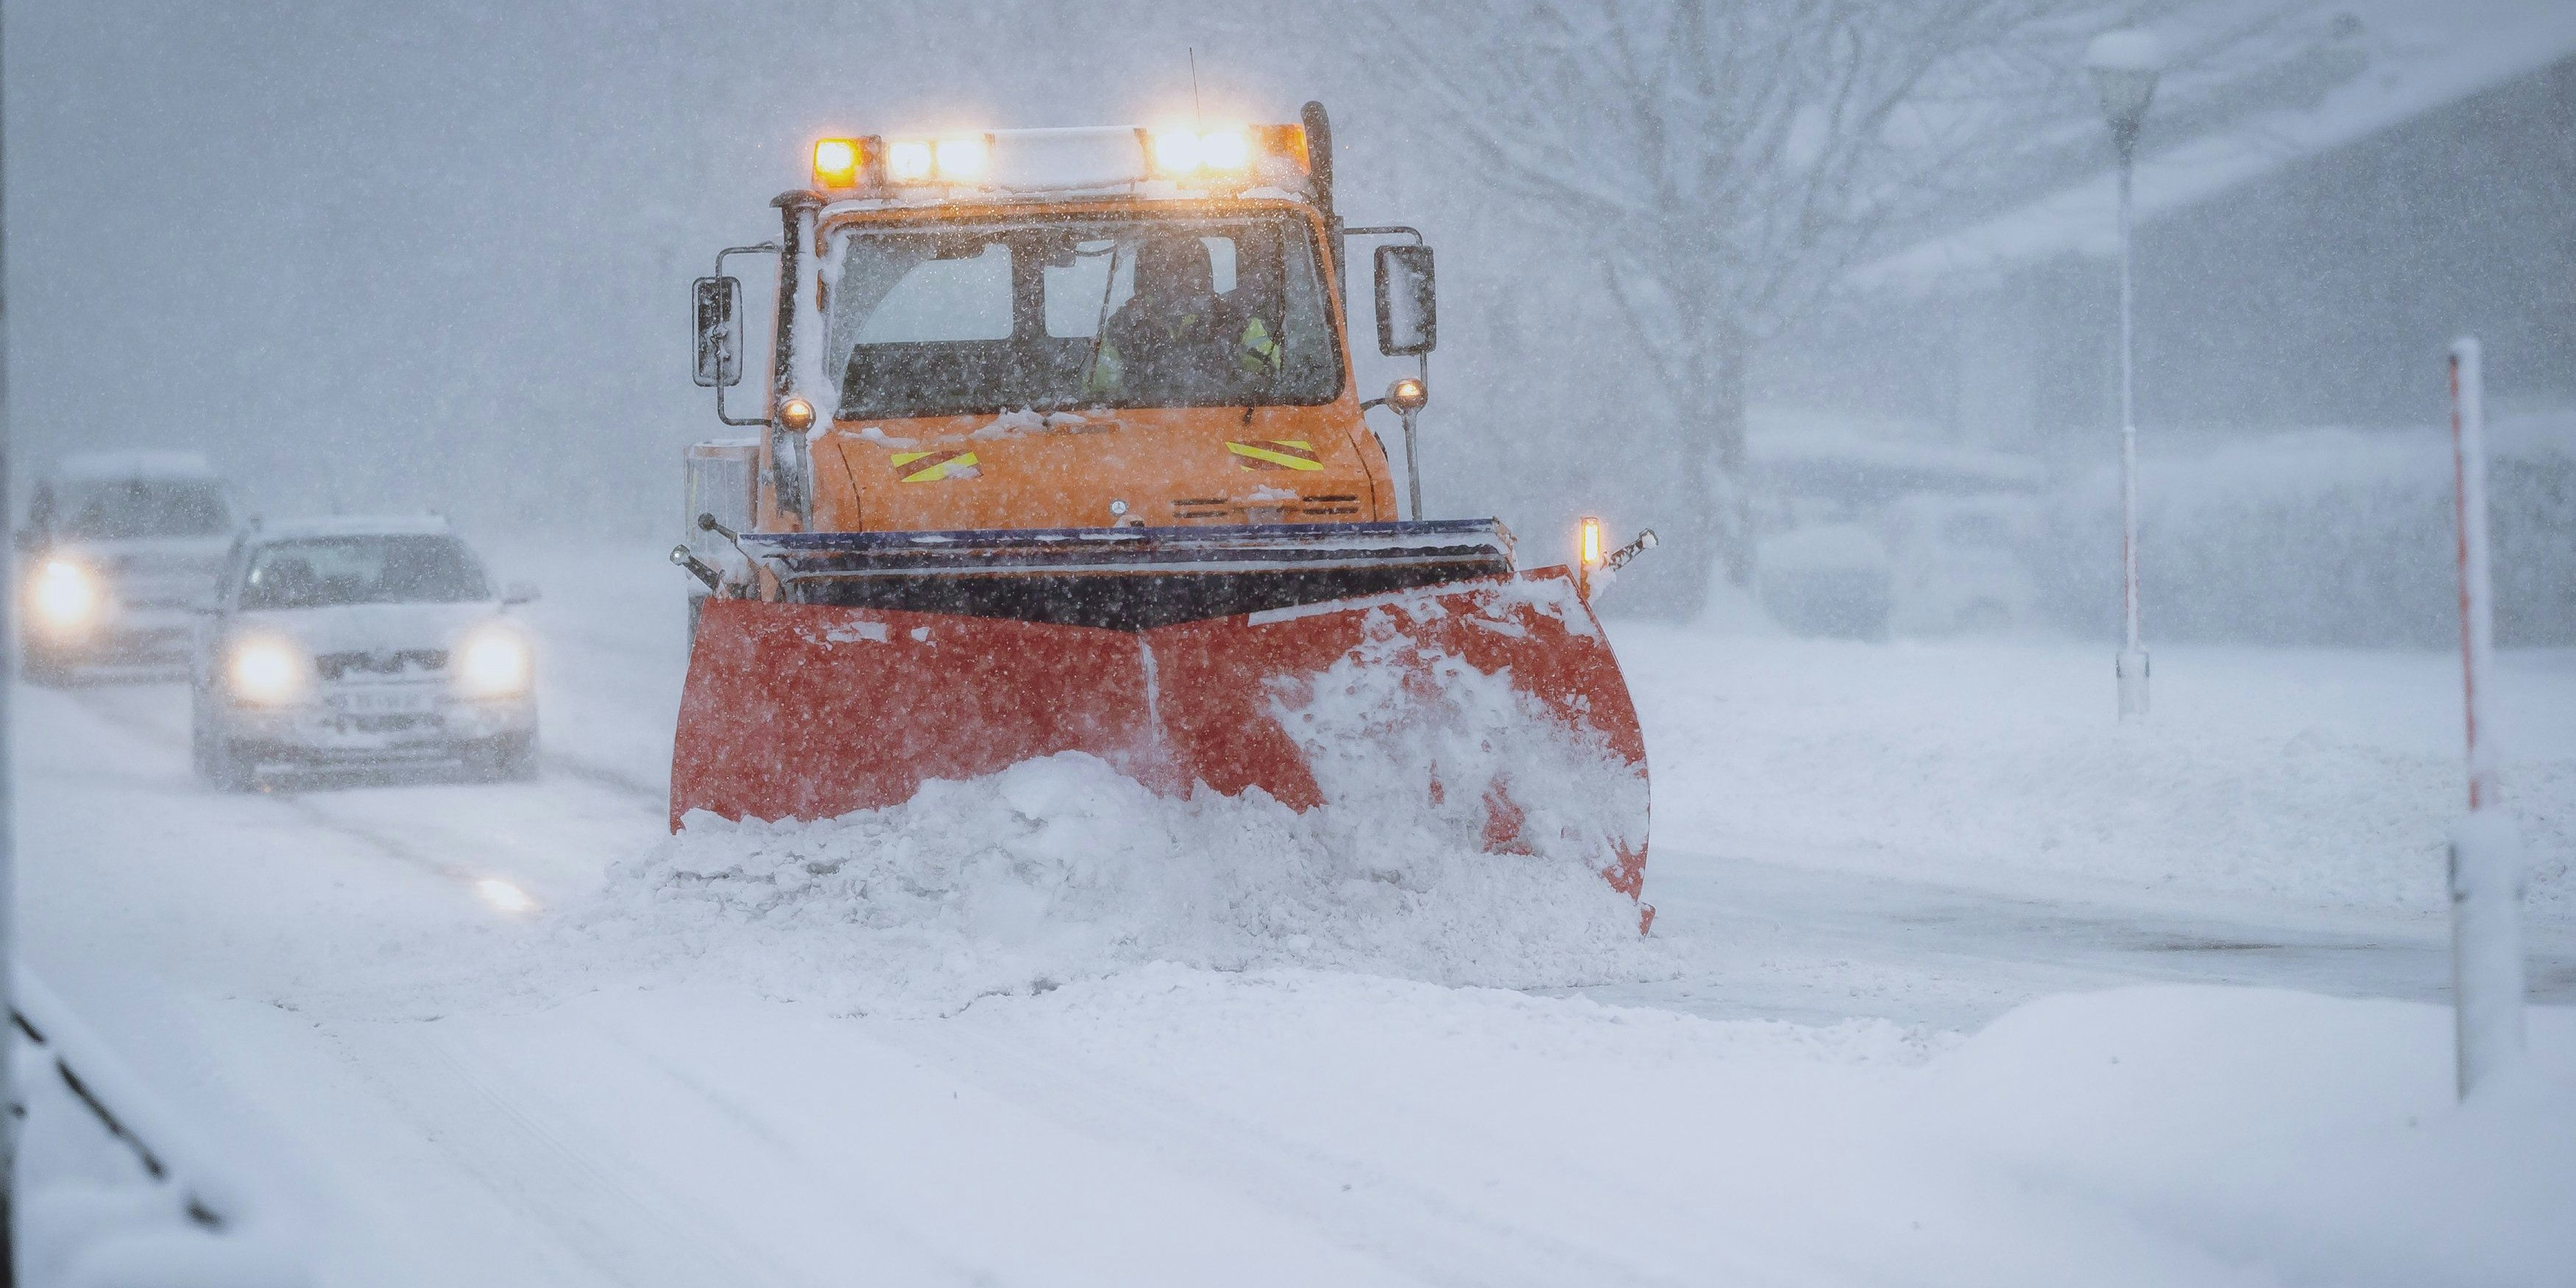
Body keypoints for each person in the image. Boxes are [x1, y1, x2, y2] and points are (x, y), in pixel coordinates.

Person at [1086, 234, 1281, 399]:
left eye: (1190, 267)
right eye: (1165, 268)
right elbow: (1095, 399)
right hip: (1137, 434)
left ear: (1206, 275)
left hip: (1228, 427)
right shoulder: (1122, 325)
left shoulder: (1235, 321)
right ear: (1145, 278)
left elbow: (1278, 384)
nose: (1178, 278)